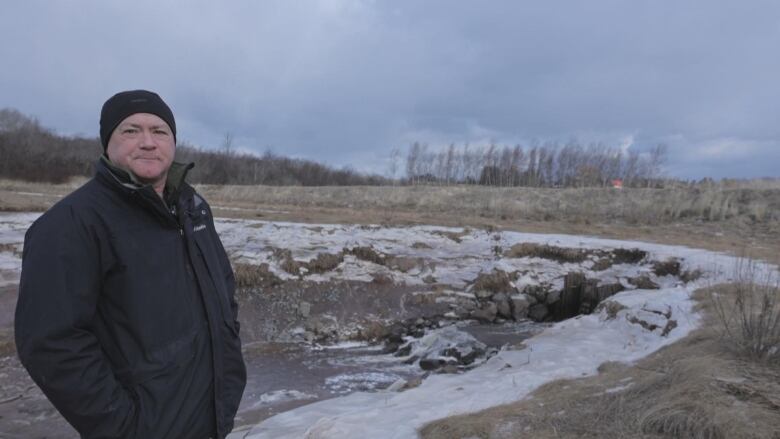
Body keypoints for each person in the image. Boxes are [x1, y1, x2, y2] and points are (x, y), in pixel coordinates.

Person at [14, 90, 246, 439]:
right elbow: (51, 342)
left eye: (159, 131)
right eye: (131, 131)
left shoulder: (192, 207)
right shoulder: (72, 225)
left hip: (209, 420)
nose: (148, 142)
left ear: (173, 141)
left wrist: (228, 381)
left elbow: (223, 292)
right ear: (107, 142)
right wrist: (122, 427)